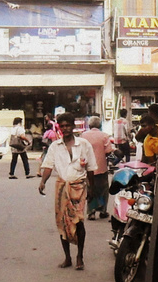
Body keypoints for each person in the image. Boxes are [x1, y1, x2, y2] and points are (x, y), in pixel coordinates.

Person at [37, 112, 89, 269]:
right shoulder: (55, 146)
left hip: (79, 186)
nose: (65, 128)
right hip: (61, 187)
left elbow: (91, 167)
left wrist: (91, 187)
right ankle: (67, 258)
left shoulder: (84, 144)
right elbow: (48, 166)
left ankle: (80, 256)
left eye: (68, 125)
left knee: (78, 221)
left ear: (73, 126)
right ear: (59, 127)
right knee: (62, 222)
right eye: (63, 126)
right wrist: (43, 182)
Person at [78, 115, 111, 219]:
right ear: (100, 125)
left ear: (89, 125)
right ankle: (102, 210)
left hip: (87, 167)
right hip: (101, 167)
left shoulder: (83, 135)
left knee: (90, 188)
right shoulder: (104, 136)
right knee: (103, 189)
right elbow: (108, 151)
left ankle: (91, 212)